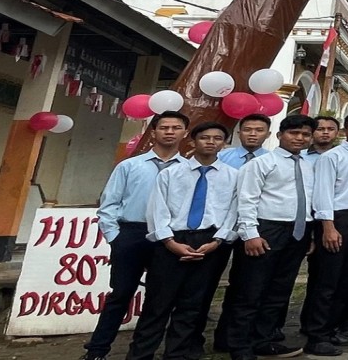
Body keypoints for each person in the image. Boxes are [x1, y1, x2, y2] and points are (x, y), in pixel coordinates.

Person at [126, 122, 236, 360]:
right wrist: (169, 242)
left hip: (210, 242)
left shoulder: (233, 176)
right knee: (158, 304)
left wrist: (218, 240)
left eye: (217, 138)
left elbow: (232, 212)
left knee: (192, 306)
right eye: (204, 137)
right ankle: (140, 355)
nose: (211, 142)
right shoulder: (171, 173)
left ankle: (177, 354)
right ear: (193, 141)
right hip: (172, 240)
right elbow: (157, 209)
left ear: (224, 144)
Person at [84, 111, 188, 360]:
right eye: (164, 127)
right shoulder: (130, 166)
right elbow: (109, 204)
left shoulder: (189, 170)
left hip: (169, 238)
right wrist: (115, 238)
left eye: (176, 128)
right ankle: (97, 351)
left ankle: (141, 353)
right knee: (120, 294)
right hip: (132, 234)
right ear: (153, 131)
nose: (170, 132)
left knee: (159, 299)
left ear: (185, 133)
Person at [227, 115, 322, 360]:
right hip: (266, 230)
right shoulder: (261, 163)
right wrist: (250, 234)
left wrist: (309, 234)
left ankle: (264, 340)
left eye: (305, 134)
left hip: (298, 232)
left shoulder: (309, 165)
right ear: (280, 135)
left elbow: (309, 201)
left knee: (279, 290)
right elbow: (246, 200)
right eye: (293, 133)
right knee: (251, 290)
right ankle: (239, 346)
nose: (299, 138)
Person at [301, 112, 348, 355]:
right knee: (328, 279)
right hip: (337, 218)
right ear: (346, 130)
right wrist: (328, 226)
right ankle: (317, 335)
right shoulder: (332, 157)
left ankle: (334, 329)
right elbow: (322, 193)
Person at [211, 114, 272, 356]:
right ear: (239, 133)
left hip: (252, 229)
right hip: (219, 227)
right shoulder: (222, 158)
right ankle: (195, 337)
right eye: (248, 129)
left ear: (268, 134)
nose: (253, 134)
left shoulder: (269, 161)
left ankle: (231, 336)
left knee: (244, 285)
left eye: (259, 130)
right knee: (208, 282)